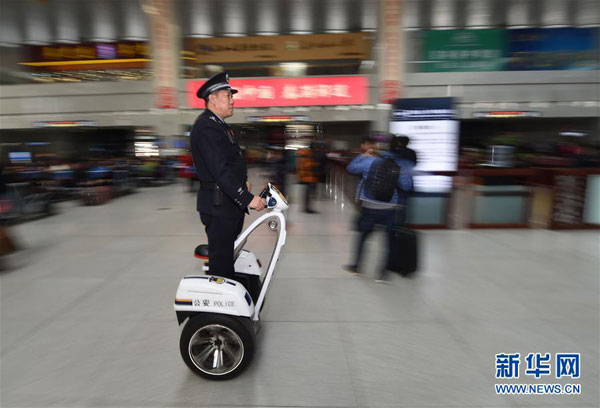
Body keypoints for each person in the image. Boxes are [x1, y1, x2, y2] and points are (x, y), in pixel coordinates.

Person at [190, 72, 265, 279]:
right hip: (218, 207)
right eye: (228, 96)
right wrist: (247, 199)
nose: (232, 101)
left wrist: (243, 182)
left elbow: (230, 163)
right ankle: (220, 308)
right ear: (212, 98)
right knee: (221, 264)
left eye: (232, 96)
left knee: (227, 257)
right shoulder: (206, 126)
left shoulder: (219, 125)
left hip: (225, 204)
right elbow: (219, 170)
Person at [343, 135, 415, 283]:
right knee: (389, 241)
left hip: (369, 206)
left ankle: (357, 267)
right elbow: (407, 186)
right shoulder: (398, 164)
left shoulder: (369, 161)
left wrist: (363, 155)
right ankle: (383, 275)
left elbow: (350, 168)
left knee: (363, 236)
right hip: (389, 207)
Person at [296, 144, 318, 213]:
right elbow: (305, 166)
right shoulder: (306, 155)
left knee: (307, 194)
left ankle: (307, 207)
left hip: (307, 177)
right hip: (308, 177)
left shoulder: (305, 155)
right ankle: (307, 208)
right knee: (308, 194)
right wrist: (314, 164)